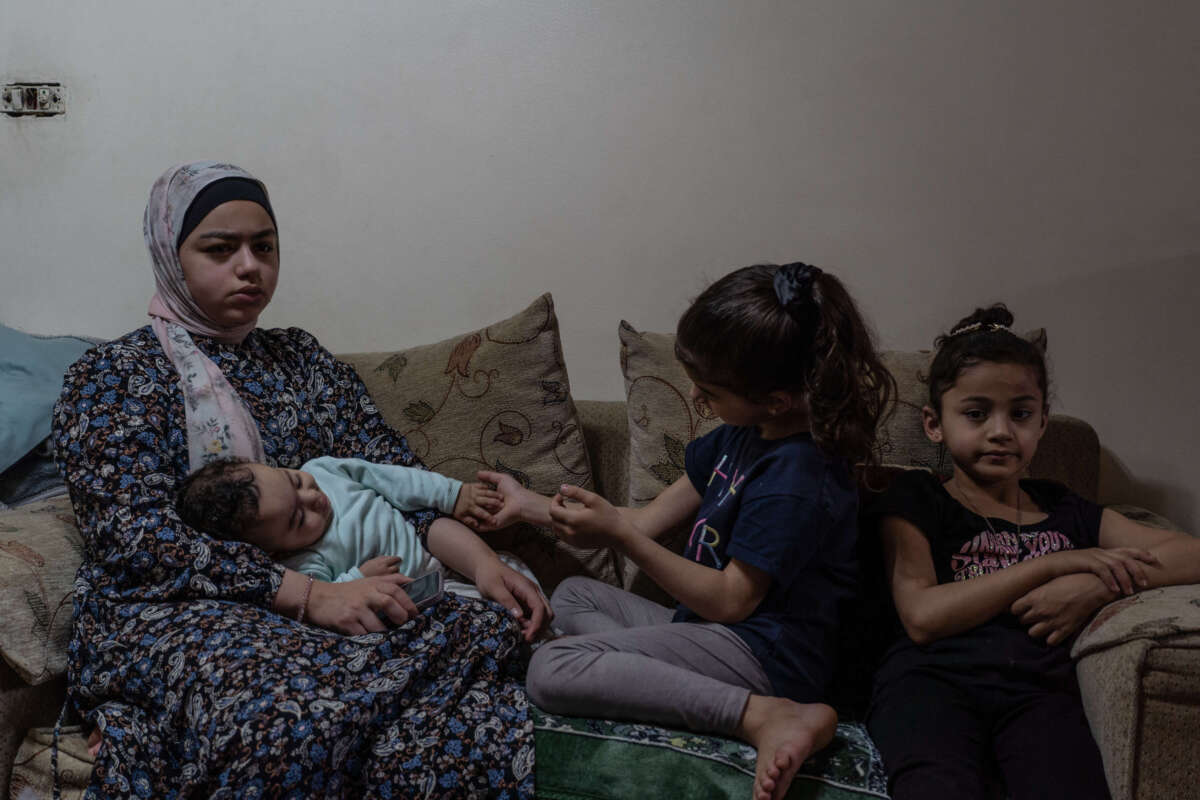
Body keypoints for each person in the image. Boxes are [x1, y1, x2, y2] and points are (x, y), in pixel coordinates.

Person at [52, 161, 548, 798]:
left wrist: (479, 564)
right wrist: (309, 599)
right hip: (179, 611)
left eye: (264, 246)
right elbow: (137, 543)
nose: (249, 266)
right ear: (169, 255)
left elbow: (395, 488)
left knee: (484, 618)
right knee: (279, 712)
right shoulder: (112, 378)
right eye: (219, 248)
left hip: (350, 583)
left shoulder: (303, 362)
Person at [475, 263, 896, 800]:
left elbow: (730, 602)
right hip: (708, 629)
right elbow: (643, 521)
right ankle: (632, 667)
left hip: (767, 657)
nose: (696, 397)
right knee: (573, 593)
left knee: (550, 667)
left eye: (711, 390)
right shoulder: (740, 437)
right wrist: (529, 504)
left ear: (777, 398)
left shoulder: (798, 475)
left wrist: (622, 540)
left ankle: (764, 716)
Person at [864, 304, 1200, 800]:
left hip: (1039, 692)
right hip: (929, 685)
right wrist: (1055, 563)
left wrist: (1099, 583)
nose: (1001, 431)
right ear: (934, 424)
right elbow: (922, 615)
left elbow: (1190, 553)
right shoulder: (918, 497)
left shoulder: (1067, 510)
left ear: (1043, 423)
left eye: (1020, 414)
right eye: (976, 414)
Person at [175, 456, 540, 617]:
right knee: (489, 611)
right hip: (425, 590)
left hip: (440, 548)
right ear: (275, 549)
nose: (313, 497)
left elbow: (391, 478)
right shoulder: (304, 560)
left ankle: (545, 605)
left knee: (509, 568)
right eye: (299, 519)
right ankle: (545, 639)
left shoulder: (321, 469)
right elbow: (331, 593)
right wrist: (358, 578)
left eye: (294, 481)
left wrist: (451, 494)